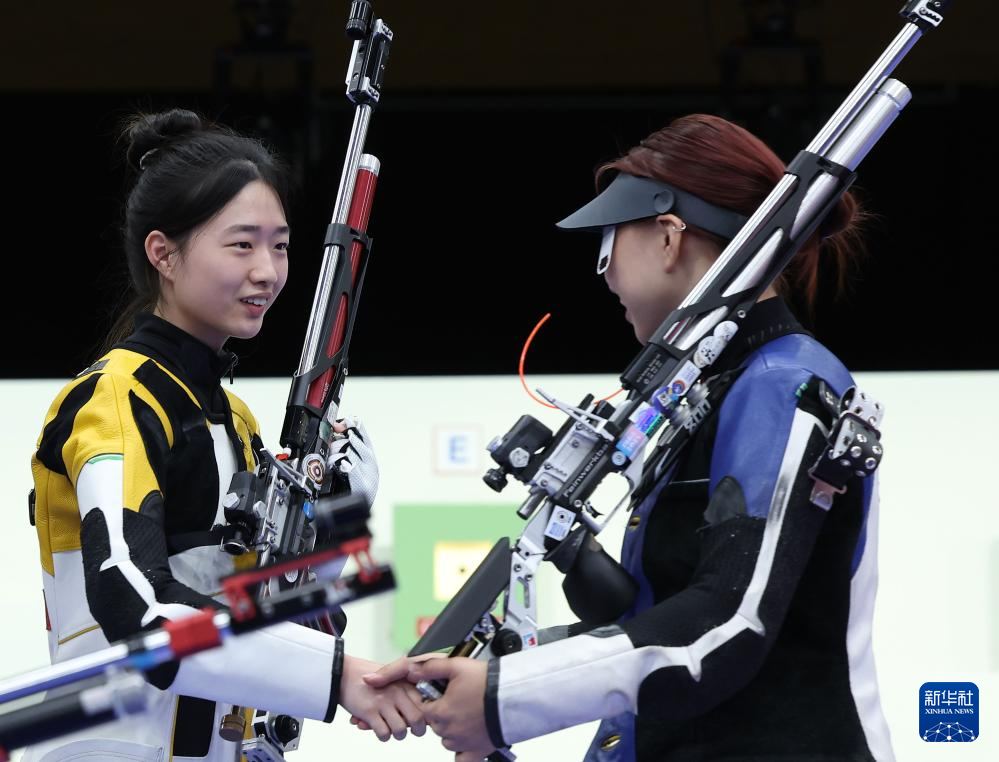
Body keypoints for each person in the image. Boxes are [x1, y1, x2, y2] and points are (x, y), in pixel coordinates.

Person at [366, 113, 894, 761]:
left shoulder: (782, 383)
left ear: (668, 237)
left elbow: (728, 622)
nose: (607, 274)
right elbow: (660, 614)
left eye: (608, 245)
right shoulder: (717, 388)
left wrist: (506, 700)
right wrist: (497, 671)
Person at [25, 108, 424, 761]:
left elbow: (269, 604)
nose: (267, 271)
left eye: (280, 245)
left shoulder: (235, 420)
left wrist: (331, 528)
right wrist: (336, 676)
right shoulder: (113, 398)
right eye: (242, 245)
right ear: (163, 253)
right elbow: (134, 600)